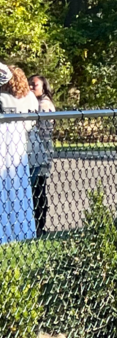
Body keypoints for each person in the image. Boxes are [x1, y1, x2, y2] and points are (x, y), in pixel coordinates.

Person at [0, 64, 40, 243]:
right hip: (24, 142)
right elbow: (33, 120)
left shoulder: (3, 97)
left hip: (6, 141)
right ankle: (23, 228)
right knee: (21, 186)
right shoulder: (30, 97)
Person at [28, 74, 56, 233]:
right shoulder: (36, 102)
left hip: (42, 149)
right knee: (38, 186)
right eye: (29, 84)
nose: (31, 87)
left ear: (44, 87)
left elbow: (41, 129)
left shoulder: (43, 105)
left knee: (38, 186)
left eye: (35, 85)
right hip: (38, 148)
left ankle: (39, 223)